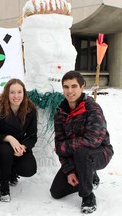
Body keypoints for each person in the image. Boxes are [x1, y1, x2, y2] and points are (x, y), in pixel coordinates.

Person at [50, 71, 114, 214]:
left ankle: (88, 196)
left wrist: (64, 147)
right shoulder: (60, 113)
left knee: (82, 152)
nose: (70, 91)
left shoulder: (93, 108)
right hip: (77, 156)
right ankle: (89, 175)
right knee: (56, 191)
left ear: (82, 87)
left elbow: (92, 140)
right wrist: (69, 171)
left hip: (100, 152)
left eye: (74, 86)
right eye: (66, 87)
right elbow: (59, 142)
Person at [0, 78, 38, 202]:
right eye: (12, 92)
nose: (16, 96)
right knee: (5, 152)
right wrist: (9, 138)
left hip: (20, 146)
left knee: (29, 169)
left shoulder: (30, 109)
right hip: (1, 145)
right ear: (7, 94)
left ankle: (12, 172)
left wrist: (23, 147)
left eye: (19, 92)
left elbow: (32, 135)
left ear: (24, 93)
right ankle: (4, 186)